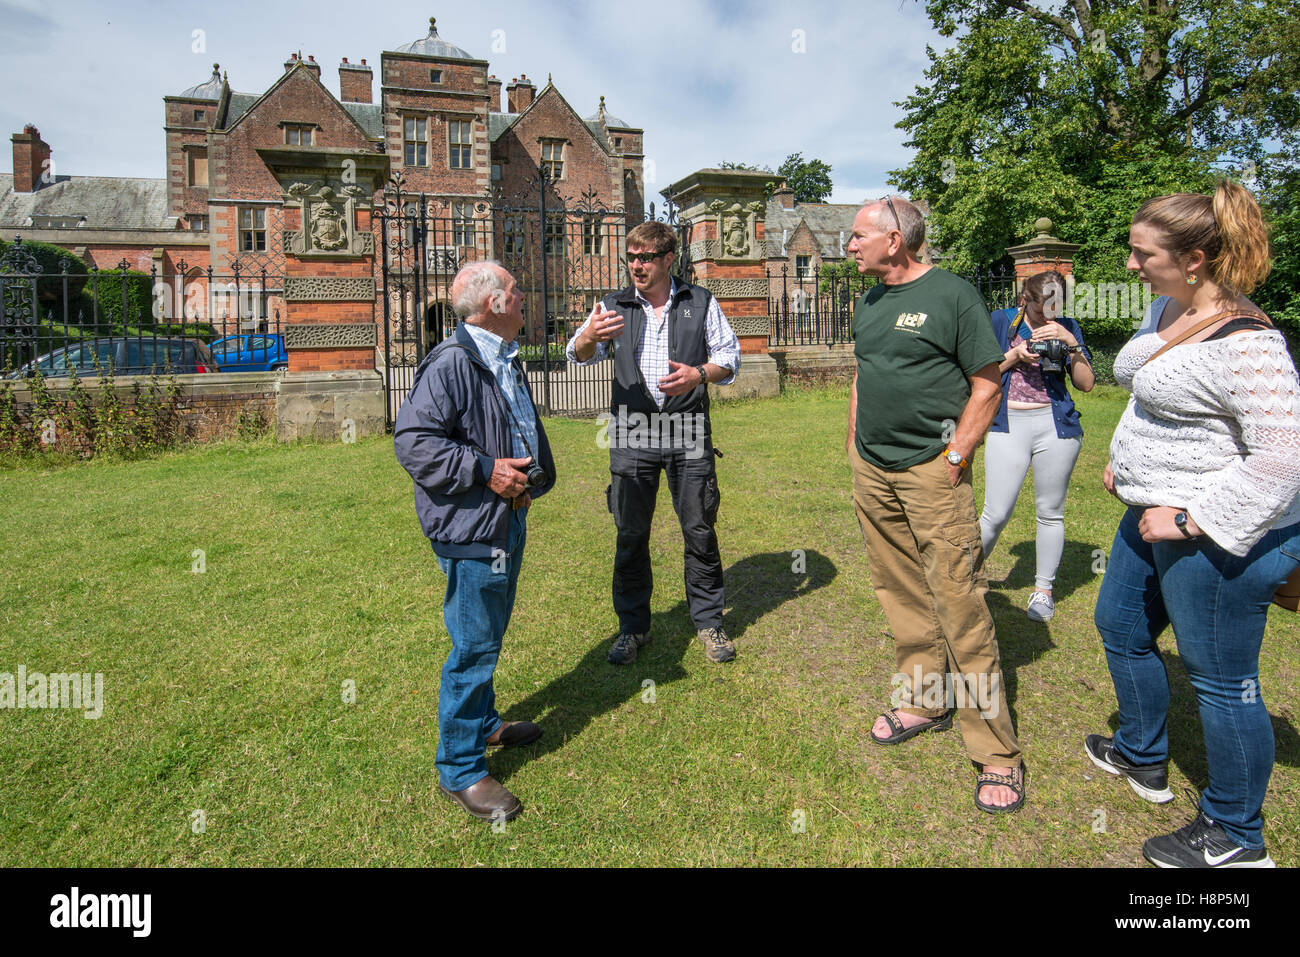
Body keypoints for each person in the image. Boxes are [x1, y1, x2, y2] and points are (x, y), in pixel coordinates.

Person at [1090, 180, 1300, 868]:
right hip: (1147, 513)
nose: (1130, 264)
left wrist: (1190, 515)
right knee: (1120, 626)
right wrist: (1132, 460)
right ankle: (1144, 754)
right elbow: (1145, 385)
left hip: (1214, 535)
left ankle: (1237, 834)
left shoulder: (1250, 344)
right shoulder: (1167, 306)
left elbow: (1286, 457)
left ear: (1197, 258)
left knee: (1223, 679)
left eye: (1141, 252)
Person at [845, 195, 1025, 813]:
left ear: (895, 239)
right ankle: (923, 700)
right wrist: (854, 445)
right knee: (899, 591)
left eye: (859, 235)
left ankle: (996, 753)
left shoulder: (953, 295)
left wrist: (956, 456)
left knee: (959, 601)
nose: (850, 244)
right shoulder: (868, 302)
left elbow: (987, 381)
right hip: (873, 469)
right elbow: (865, 373)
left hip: (932, 473)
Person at [394, 260, 557, 823]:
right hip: (472, 527)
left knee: (490, 628)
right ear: (491, 304)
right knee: (474, 645)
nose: (523, 296)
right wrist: (486, 469)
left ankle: (484, 723)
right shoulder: (452, 362)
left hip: (505, 517)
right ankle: (461, 767)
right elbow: (414, 443)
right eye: (515, 290)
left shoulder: (500, 355)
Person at [565, 220, 742, 665]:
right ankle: (632, 628)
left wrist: (698, 374)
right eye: (631, 257)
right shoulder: (613, 305)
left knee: (699, 529)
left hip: (686, 430)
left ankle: (708, 622)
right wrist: (588, 337)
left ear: (669, 260)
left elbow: (729, 357)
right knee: (630, 534)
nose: (636, 265)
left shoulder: (698, 301)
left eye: (646, 258)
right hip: (632, 432)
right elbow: (577, 353)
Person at [979, 270, 1095, 621]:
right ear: (1024, 299)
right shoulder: (1002, 321)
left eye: (1056, 307)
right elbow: (978, 371)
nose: (1049, 315)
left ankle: (1043, 592)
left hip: (1055, 425)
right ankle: (959, 579)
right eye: (1042, 307)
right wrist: (1014, 357)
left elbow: (1086, 384)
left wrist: (1069, 343)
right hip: (1008, 422)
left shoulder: (1068, 326)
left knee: (1050, 511)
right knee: (995, 513)